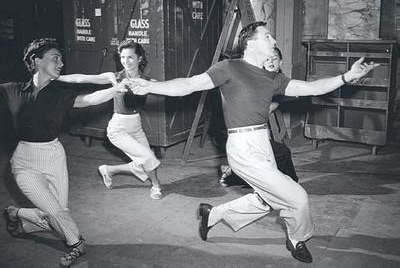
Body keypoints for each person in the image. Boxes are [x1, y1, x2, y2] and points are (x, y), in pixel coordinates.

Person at [129, 21, 378, 263]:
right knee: (297, 197)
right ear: (251, 42)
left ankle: (211, 214)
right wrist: (151, 87)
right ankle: (297, 239)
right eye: (268, 36)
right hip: (242, 146)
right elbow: (189, 85)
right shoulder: (229, 67)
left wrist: (346, 77)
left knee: (266, 199)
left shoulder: (273, 78)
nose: (274, 40)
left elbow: (311, 88)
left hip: (263, 141)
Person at [1, 38, 126, 267]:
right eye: (55, 58)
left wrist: (115, 90)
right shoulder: (12, 91)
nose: (60, 63)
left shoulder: (59, 92)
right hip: (24, 162)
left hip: (53, 156)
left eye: (61, 59)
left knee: (59, 212)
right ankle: (77, 244)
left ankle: (17, 214)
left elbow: (88, 100)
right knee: (55, 211)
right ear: (37, 61)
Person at [219, 47, 299, 187]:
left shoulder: (279, 79)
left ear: (281, 62)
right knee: (280, 153)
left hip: (255, 133)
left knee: (268, 161)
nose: (271, 62)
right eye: (267, 59)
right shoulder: (253, 79)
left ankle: (233, 175)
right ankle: (290, 186)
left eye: (275, 59)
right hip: (241, 134)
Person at [96, 40, 162, 200]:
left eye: (130, 57)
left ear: (139, 58)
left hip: (136, 125)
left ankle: (109, 170)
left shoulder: (146, 81)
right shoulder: (115, 78)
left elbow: (169, 87)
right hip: (118, 128)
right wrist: (57, 77)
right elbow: (82, 79)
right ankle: (156, 186)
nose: (126, 61)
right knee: (148, 157)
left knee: (144, 162)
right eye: (123, 57)